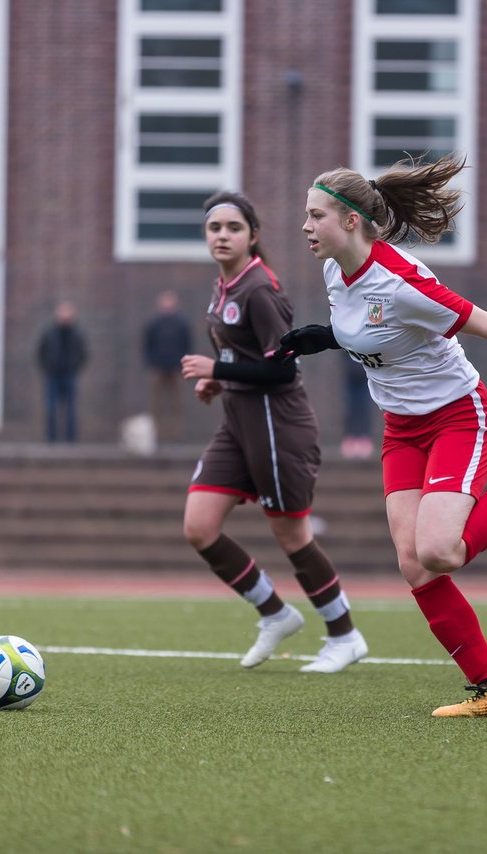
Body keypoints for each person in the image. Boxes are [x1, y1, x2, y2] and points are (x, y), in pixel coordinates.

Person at [275, 156, 487, 717]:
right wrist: (329, 338)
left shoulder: (402, 282)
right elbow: (375, 329)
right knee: (414, 566)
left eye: (316, 217)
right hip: (400, 429)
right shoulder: (336, 268)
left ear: (352, 220)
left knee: (440, 551)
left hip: (458, 417)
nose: (306, 227)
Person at [178, 190, 368, 674]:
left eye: (233, 228)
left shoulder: (259, 289)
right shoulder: (224, 286)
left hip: (277, 426)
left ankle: (345, 635)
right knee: (199, 526)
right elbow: (245, 364)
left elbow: (282, 371)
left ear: (253, 236)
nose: (222, 235)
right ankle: (275, 613)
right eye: (214, 228)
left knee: (291, 534)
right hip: (238, 423)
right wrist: (218, 380)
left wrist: (220, 368)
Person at [143, 290, 192, 444]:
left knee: (176, 403)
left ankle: (176, 436)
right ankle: (156, 435)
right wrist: (152, 361)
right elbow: (147, 344)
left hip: (177, 368)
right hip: (158, 367)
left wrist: (183, 363)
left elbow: (187, 343)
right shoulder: (154, 324)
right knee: (156, 403)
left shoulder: (181, 324)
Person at [37, 300, 89, 443]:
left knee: (71, 409)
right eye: (62, 312)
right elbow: (40, 352)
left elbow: (83, 354)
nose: (65, 315)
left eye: (68, 312)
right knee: (51, 409)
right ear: (57, 314)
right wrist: (47, 368)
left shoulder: (77, 334)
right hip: (53, 375)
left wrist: (75, 367)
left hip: (69, 375)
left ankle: (71, 440)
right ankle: (51, 440)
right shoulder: (49, 333)